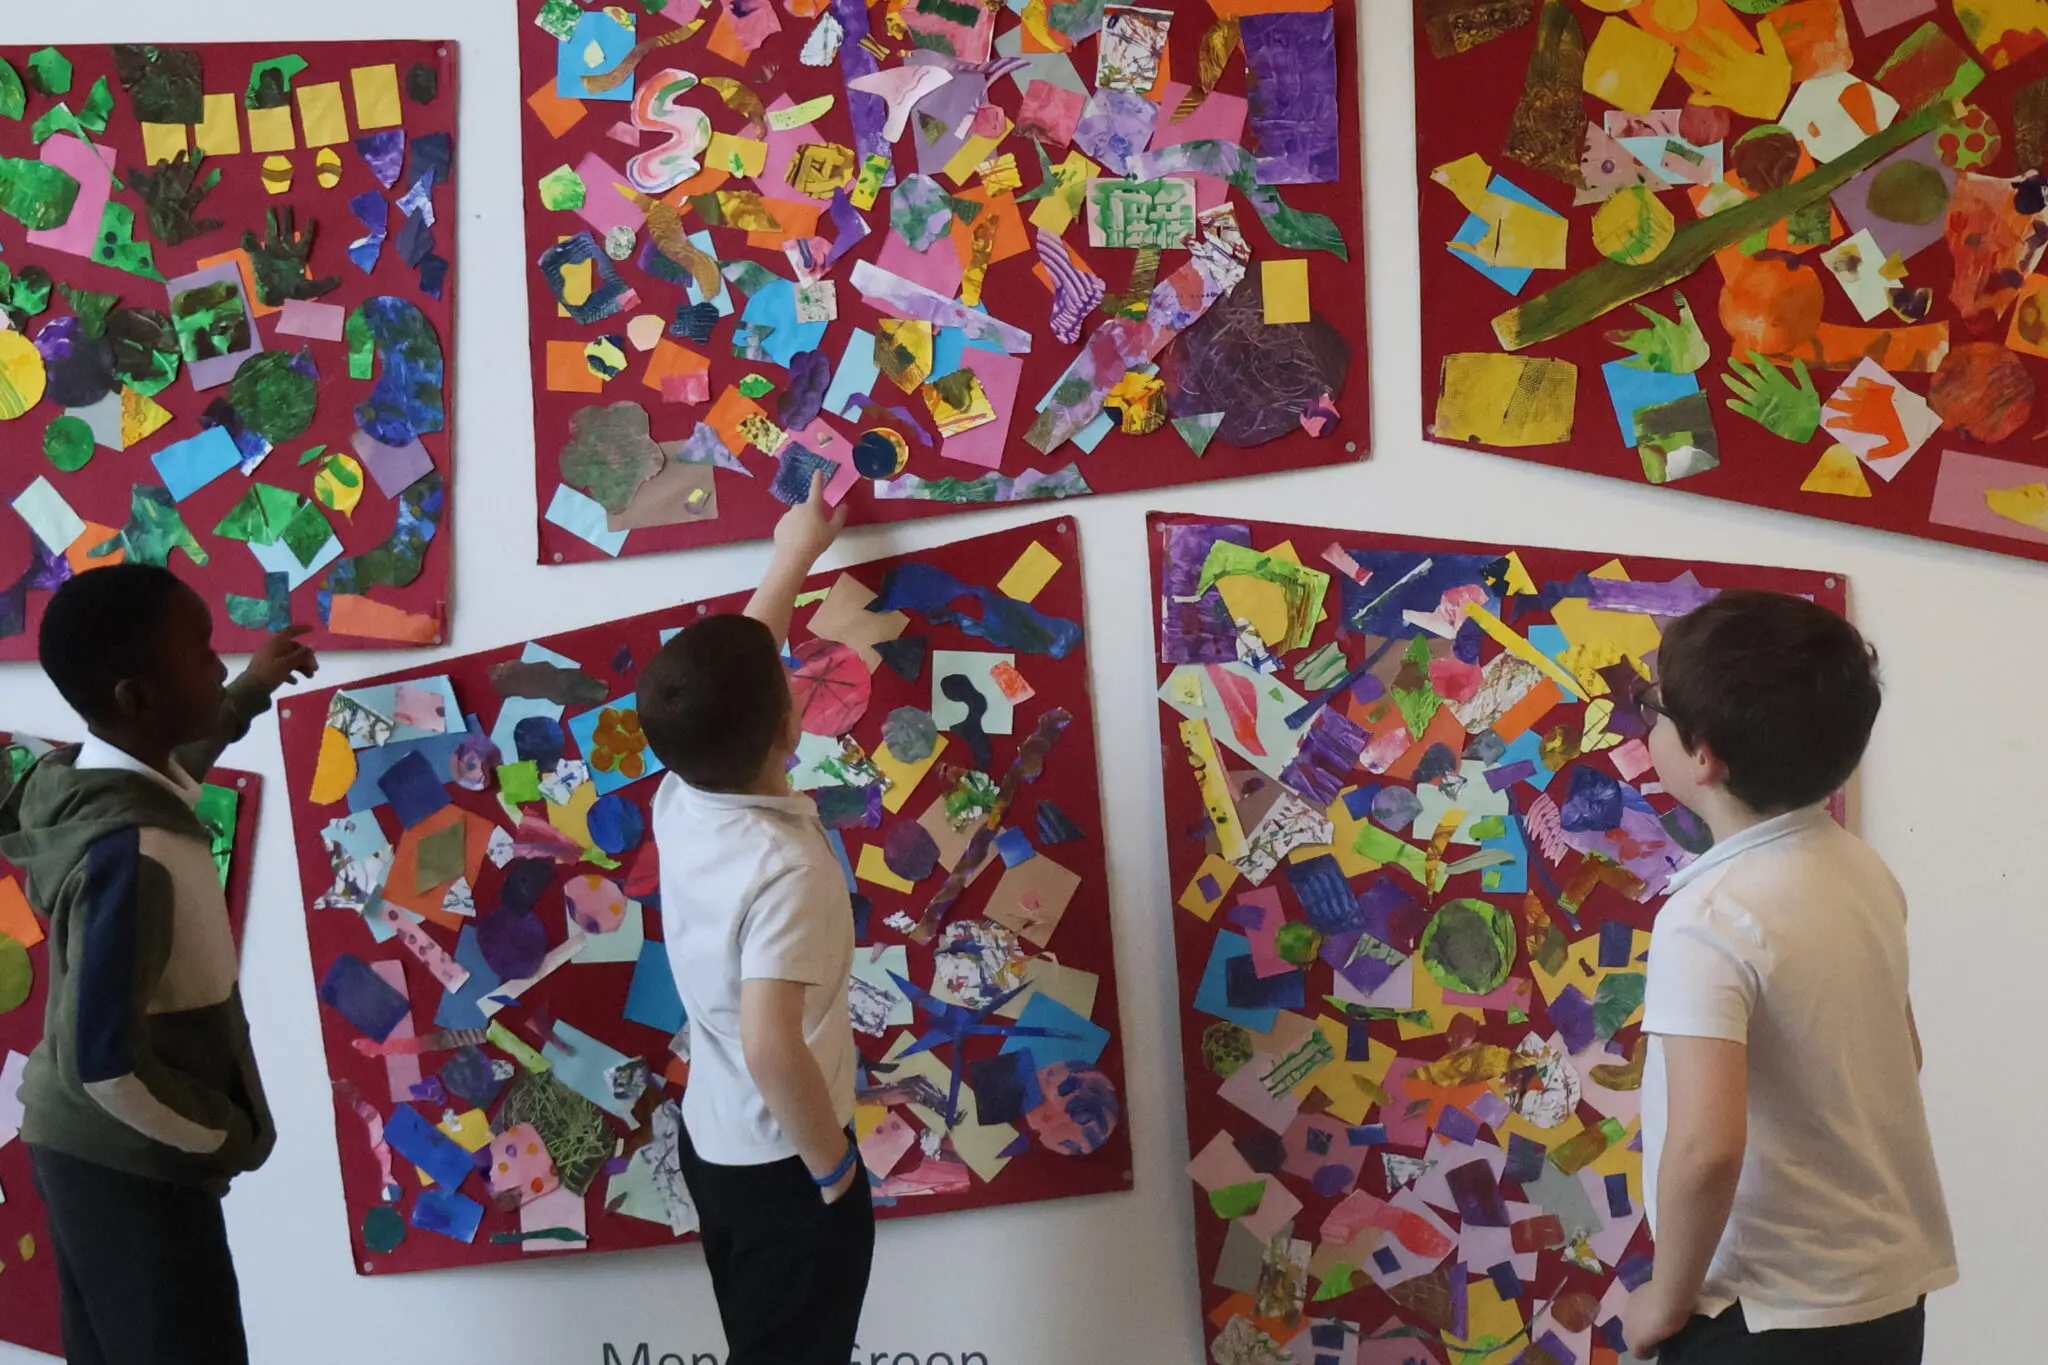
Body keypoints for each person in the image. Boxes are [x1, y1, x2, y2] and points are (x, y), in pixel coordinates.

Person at [1622, 590, 1955, 1363]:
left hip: (1761, 1312)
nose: (1647, 719)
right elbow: (1904, 1054)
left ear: (1702, 753)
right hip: (1883, 1292)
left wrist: (1662, 1304)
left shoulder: (1707, 915)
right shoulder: (1859, 868)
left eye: (1653, 705)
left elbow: (1705, 1147)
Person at [0, 563, 317, 1365]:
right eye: (204, 651)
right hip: (130, 1161)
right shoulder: (128, 850)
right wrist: (221, 1138)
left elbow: (175, 771)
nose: (219, 663)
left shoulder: (97, 781)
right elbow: (106, 1061)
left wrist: (246, 691)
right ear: (137, 697)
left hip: (90, 1150)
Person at [640, 474, 868, 1365]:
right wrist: (837, 1178)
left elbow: (734, 675)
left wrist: (794, 553)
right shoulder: (789, 868)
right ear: (793, 721)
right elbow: (775, 1043)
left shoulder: (683, 790)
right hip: (788, 1169)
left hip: (717, 1145)